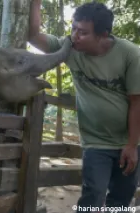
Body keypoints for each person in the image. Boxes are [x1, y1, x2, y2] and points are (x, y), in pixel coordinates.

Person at [28, 1, 140, 212]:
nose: (75, 35)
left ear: (103, 35)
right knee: (94, 194)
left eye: (83, 32)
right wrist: (36, 3)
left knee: (122, 198)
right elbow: (34, 37)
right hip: (95, 141)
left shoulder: (131, 55)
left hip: (130, 141)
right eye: (74, 28)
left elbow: (137, 102)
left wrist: (132, 146)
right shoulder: (69, 48)